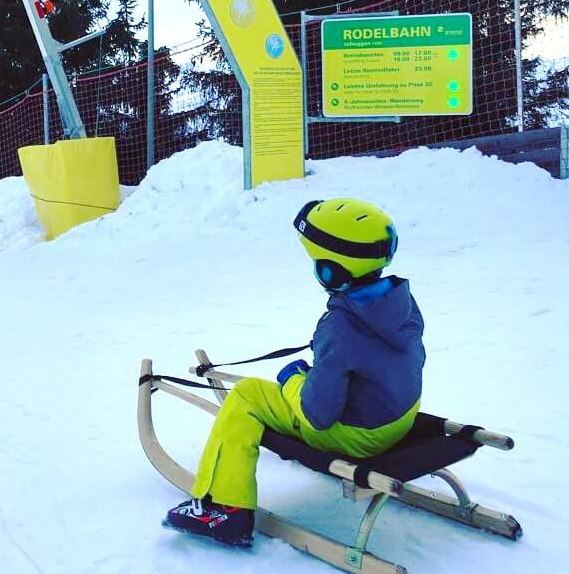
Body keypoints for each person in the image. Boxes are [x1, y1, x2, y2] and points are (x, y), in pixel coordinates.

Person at [162, 198, 426, 547]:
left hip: (359, 438)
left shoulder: (342, 327)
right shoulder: (398, 302)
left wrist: (294, 381)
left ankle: (223, 508)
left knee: (246, 396)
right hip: (400, 420)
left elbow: (318, 415)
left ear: (332, 272)